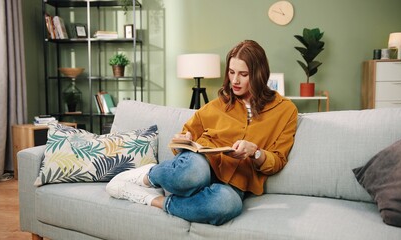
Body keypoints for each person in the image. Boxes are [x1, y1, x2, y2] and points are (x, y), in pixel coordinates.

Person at [106, 40, 298, 226]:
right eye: (231, 72)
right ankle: (147, 176)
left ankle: (151, 199)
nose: (235, 80)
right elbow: (184, 137)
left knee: (227, 204)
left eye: (243, 74)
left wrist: (255, 152)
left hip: (236, 181)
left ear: (259, 74)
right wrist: (183, 139)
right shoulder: (218, 105)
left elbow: (278, 160)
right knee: (192, 173)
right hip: (202, 162)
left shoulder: (285, 110)